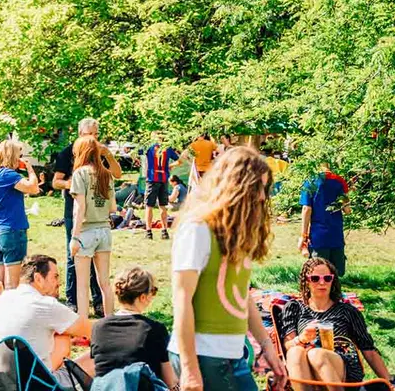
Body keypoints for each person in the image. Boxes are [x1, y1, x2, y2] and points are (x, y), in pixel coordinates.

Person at [169, 146, 287, 391]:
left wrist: (268, 347)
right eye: (257, 188)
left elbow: (242, 296)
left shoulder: (237, 234)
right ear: (235, 186)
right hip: (203, 355)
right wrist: (190, 370)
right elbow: (182, 300)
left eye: (264, 189)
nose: (262, 197)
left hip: (233, 354)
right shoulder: (197, 229)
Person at [282, 257, 393, 390]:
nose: (322, 283)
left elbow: (368, 349)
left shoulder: (347, 311)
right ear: (307, 280)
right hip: (307, 367)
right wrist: (301, 338)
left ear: (332, 280)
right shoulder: (294, 308)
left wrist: (391, 384)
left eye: (327, 278)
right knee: (295, 352)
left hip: (342, 364)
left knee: (317, 354)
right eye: (315, 278)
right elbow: (288, 345)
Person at [0, 254, 95, 388]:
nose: (58, 282)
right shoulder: (45, 305)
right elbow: (95, 331)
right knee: (105, 358)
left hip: (0, 383)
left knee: (62, 337)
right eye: (55, 277)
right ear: (38, 278)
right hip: (39, 385)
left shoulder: (3, 298)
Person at [52, 118, 121, 314]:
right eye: (89, 134)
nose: (93, 138)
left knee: (88, 274)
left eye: (96, 134)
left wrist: (107, 154)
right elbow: (56, 182)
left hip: (85, 223)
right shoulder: (68, 154)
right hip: (98, 224)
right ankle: (74, 302)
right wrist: (76, 187)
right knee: (94, 273)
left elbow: (117, 174)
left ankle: (92, 310)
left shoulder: (90, 167)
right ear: (80, 134)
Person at [91, 267, 177, 386]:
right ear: (142, 297)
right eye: (153, 291)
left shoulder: (98, 327)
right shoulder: (154, 329)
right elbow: (170, 381)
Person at [68, 136, 114, 320]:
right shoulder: (106, 174)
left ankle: (83, 328)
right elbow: (112, 208)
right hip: (104, 230)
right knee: (105, 283)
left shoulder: (80, 174)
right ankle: (110, 322)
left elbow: (80, 208)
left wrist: (75, 237)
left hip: (86, 231)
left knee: (82, 285)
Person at [0, 139, 41, 288]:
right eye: (20, 154)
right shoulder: (9, 175)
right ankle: (11, 310)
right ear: (12, 156)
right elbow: (34, 188)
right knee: (13, 282)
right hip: (12, 230)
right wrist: (30, 169)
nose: (21, 158)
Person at [299, 162, 350, 276]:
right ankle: (334, 292)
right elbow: (347, 210)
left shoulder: (310, 182)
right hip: (336, 234)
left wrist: (303, 235)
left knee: (318, 273)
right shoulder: (340, 181)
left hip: (318, 237)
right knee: (336, 274)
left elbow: (306, 209)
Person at [145, 134, 180, 240]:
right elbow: (180, 160)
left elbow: (134, 154)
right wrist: (170, 166)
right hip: (163, 179)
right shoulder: (167, 148)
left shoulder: (149, 147)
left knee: (149, 206)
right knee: (163, 206)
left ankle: (148, 231)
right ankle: (164, 231)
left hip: (152, 179)